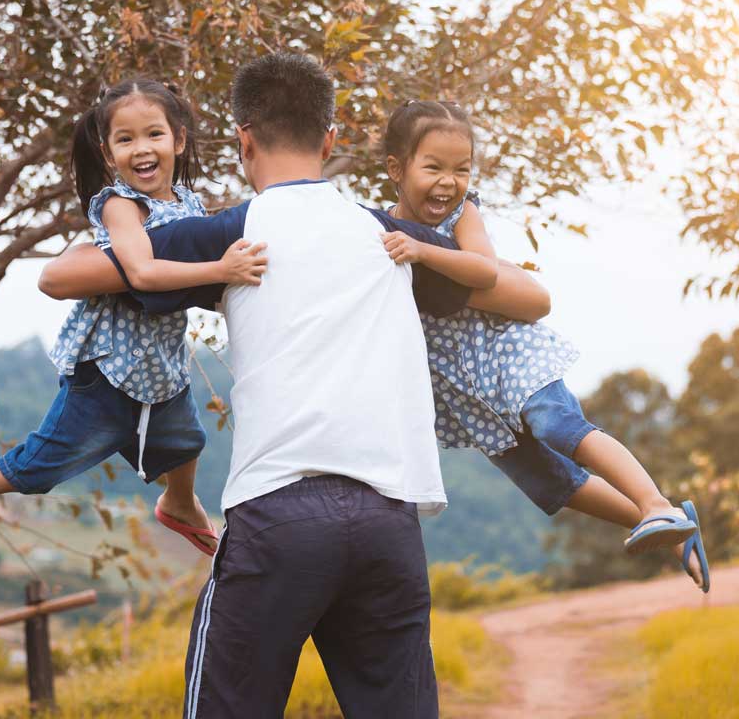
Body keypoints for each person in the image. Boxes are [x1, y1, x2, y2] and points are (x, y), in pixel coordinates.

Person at [44, 53, 471, 718]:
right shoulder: (391, 237)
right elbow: (506, 286)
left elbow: (61, 277)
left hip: (279, 514)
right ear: (330, 141)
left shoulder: (231, 235)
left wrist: (140, 245)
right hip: (392, 517)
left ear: (243, 141)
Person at [0, 79, 268, 584]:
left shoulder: (187, 202)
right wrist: (219, 270)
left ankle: (179, 505)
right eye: (125, 139)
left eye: (154, 134)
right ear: (107, 151)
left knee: (186, 443)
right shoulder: (122, 206)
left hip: (159, 370)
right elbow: (140, 274)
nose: (142, 148)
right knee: (32, 469)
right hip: (106, 374)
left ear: (179, 140)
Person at [378, 99, 709, 591]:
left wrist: (424, 249)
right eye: (434, 167)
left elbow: (486, 269)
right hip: (468, 390)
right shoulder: (379, 230)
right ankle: (671, 525)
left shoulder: (462, 216)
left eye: (462, 169)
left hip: (509, 357)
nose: (449, 181)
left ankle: (655, 503)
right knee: (548, 483)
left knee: (557, 424)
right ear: (396, 169)